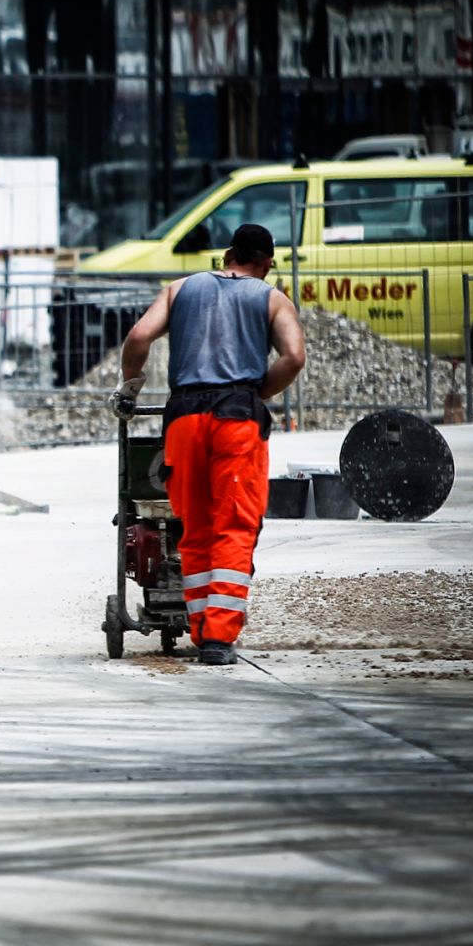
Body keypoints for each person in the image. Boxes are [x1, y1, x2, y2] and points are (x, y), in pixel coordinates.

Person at [108, 223, 306, 666]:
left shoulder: (180, 289)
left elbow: (139, 337)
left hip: (184, 419)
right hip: (236, 419)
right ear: (266, 262)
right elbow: (293, 356)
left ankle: (202, 630)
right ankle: (218, 638)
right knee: (233, 524)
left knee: (193, 526)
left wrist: (131, 388)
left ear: (227, 256)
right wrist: (258, 393)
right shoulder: (270, 297)